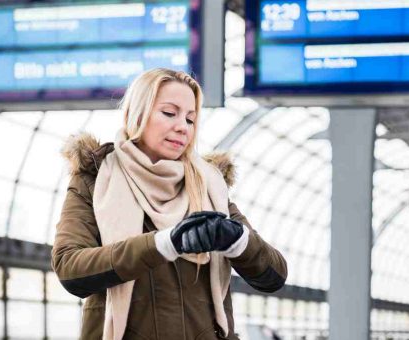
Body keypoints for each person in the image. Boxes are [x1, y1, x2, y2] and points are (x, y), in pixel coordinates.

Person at [52, 68, 287, 340]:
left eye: (190, 119)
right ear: (138, 113)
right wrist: (163, 244)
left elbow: (274, 275)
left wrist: (237, 240)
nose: (182, 127)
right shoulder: (95, 179)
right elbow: (70, 268)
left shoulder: (210, 185)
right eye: (169, 113)